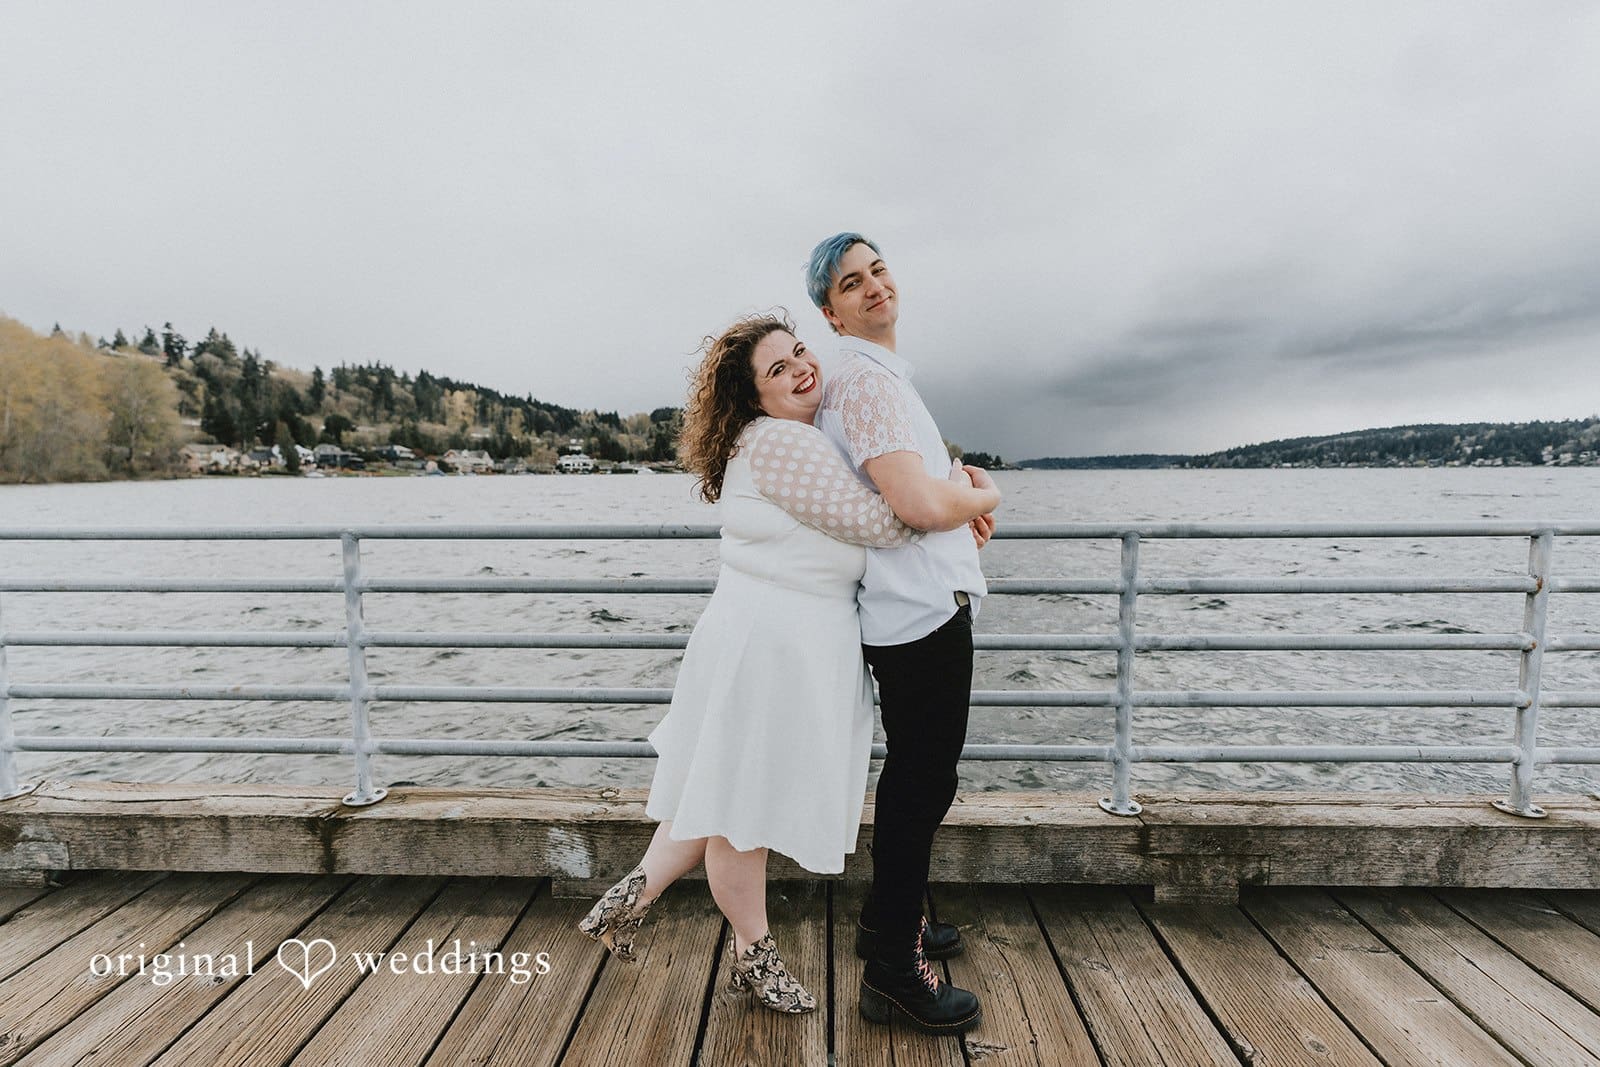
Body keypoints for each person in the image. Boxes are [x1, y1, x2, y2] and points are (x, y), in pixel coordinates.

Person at [578, 312, 999, 1015]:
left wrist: (943, 510)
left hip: (769, 642)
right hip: (771, 651)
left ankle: (629, 899)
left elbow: (865, 524)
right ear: (754, 397)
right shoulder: (779, 443)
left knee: (719, 788)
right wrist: (961, 496)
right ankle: (752, 955)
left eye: (800, 351)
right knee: (742, 813)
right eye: (777, 368)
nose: (802, 366)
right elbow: (885, 520)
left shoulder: (791, 438)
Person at [808, 232, 998, 1035]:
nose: (874, 286)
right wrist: (988, 497)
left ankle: (889, 924)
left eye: (878, 269)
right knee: (923, 781)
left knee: (915, 778)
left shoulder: (873, 378)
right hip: (920, 611)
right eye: (853, 283)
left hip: (909, 601)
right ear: (833, 311)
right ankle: (891, 969)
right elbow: (918, 506)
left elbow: (911, 492)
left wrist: (959, 506)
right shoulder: (866, 382)